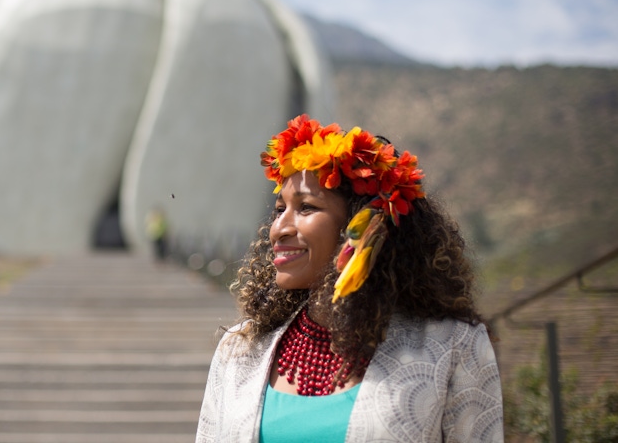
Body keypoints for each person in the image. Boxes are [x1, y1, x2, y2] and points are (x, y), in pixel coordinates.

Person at [196, 115, 503, 443]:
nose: (278, 228)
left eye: (306, 208)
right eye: (278, 209)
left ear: (365, 226)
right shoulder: (240, 349)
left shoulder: (452, 345)